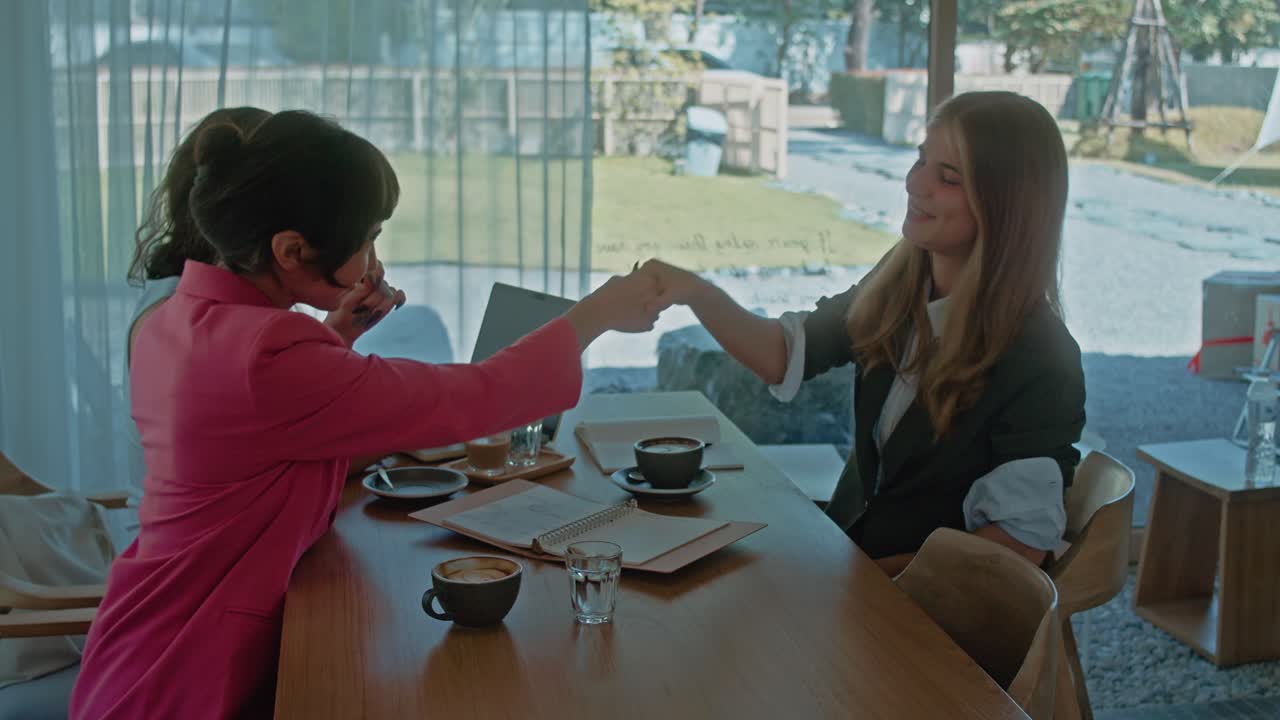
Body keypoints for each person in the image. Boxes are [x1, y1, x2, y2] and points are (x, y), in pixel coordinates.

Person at [70, 110, 664, 719]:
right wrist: (596, 313)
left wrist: (333, 344)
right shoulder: (267, 354)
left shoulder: (178, 319)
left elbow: (258, 434)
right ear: (292, 250)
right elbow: (476, 394)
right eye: (368, 236)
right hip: (189, 668)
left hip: (145, 638)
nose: (375, 257)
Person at [640, 91, 1086, 577]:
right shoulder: (900, 283)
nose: (916, 184)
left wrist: (864, 589)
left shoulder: (1043, 359)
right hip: (854, 566)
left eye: (948, 178)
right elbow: (782, 354)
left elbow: (1012, 549)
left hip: (925, 614)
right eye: (920, 161)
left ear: (1007, 204)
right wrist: (695, 291)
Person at [121, 106, 406, 489]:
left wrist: (337, 336)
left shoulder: (210, 300)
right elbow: (309, 447)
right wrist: (417, 425)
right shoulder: (174, 317)